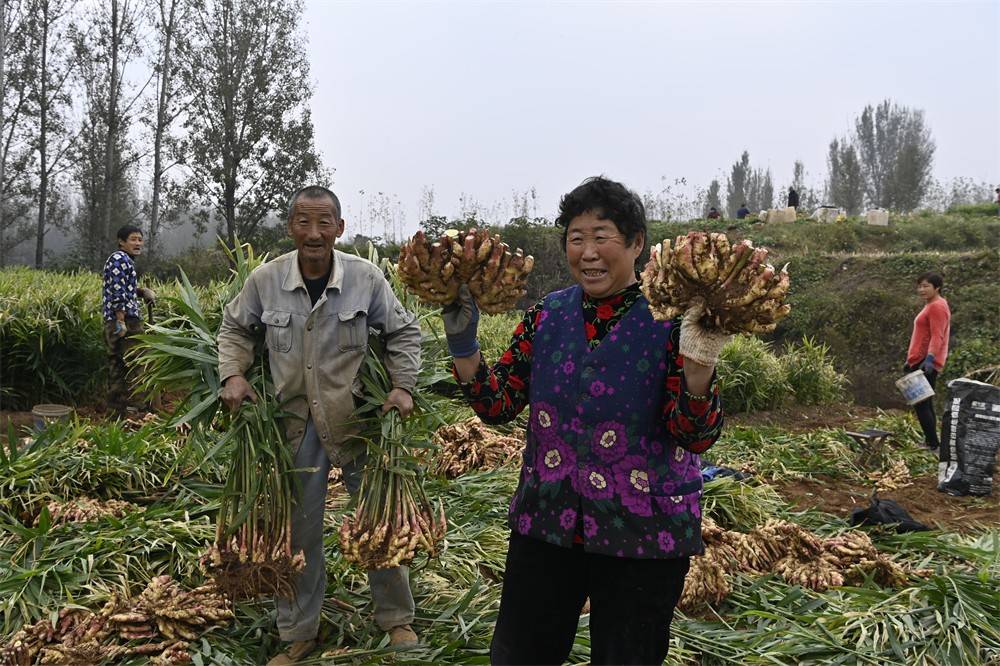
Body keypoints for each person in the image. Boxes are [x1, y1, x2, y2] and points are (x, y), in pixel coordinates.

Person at [443, 176, 726, 665]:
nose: (588, 252)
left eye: (602, 236)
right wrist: (464, 347)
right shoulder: (546, 315)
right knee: (519, 655)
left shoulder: (676, 323)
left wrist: (699, 370)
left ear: (637, 244)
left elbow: (694, 436)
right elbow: (498, 405)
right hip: (547, 522)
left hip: (642, 530)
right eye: (576, 238)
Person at [217, 186, 423, 665]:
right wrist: (233, 375)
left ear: (339, 228)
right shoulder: (265, 280)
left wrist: (403, 386)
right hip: (294, 423)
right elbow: (234, 328)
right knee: (298, 529)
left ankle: (396, 619)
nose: (314, 233)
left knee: (378, 518)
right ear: (290, 226)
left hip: (357, 419)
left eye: (323, 222)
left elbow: (403, 331)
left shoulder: (365, 278)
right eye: (304, 222)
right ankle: (298, 631)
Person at [102, 225, 157, 416]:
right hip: (126, 320)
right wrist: (121, 320)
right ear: (121, 241)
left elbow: (124, 289)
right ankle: (140, 409)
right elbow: (117, 292)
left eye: (140, 239)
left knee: (117, 363)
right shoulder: (119, 260)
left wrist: (142, 292)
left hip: (117, 318)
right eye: (133, 239)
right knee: (138, 362)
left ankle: (116, 411)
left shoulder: (124, 260)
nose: (138, 243)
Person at [903, 271, 950, 451]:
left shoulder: (937, 306)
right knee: (925, 402)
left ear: (936, 287)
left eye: (926, 286)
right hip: (919, 360)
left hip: (926, 362)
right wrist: (911, 360)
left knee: (921, 403)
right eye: (920, 286)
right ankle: (932, 442)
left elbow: (937, 336)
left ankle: (932, 444)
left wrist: (929, 359)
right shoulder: (932, 304)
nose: (921, 289)